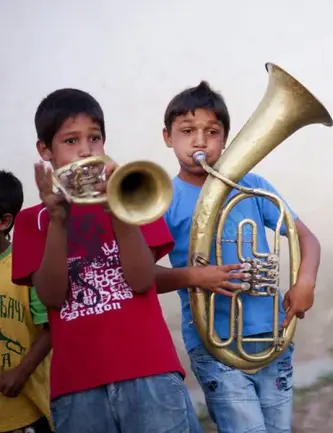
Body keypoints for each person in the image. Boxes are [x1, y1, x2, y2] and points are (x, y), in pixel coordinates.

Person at [11, 88, 202, 433]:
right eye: (70, 141)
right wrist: (58, 221)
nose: (86, 150)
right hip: (76, 387)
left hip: (150, 370)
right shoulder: (31, 222)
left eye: (94, 138)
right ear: (45, 151)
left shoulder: (136, 198)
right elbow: (53, 297)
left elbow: (142, 281)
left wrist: (118, 209)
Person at [155, 80, 321, 433]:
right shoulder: (163, 198)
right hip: (214, 344)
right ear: (168, 137)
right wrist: (196, 277)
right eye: (187, 131)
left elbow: (307, 239)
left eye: (211, 132)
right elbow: (142, 274)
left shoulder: (254, 186)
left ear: (226, 139)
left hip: (272, 338)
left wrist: (304, 282)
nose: (200, 141)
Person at [0, 170, 53, 433]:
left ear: (3, 221)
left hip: (25, 412)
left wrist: (20, 373)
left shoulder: (24, 268)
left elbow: (50, 327)